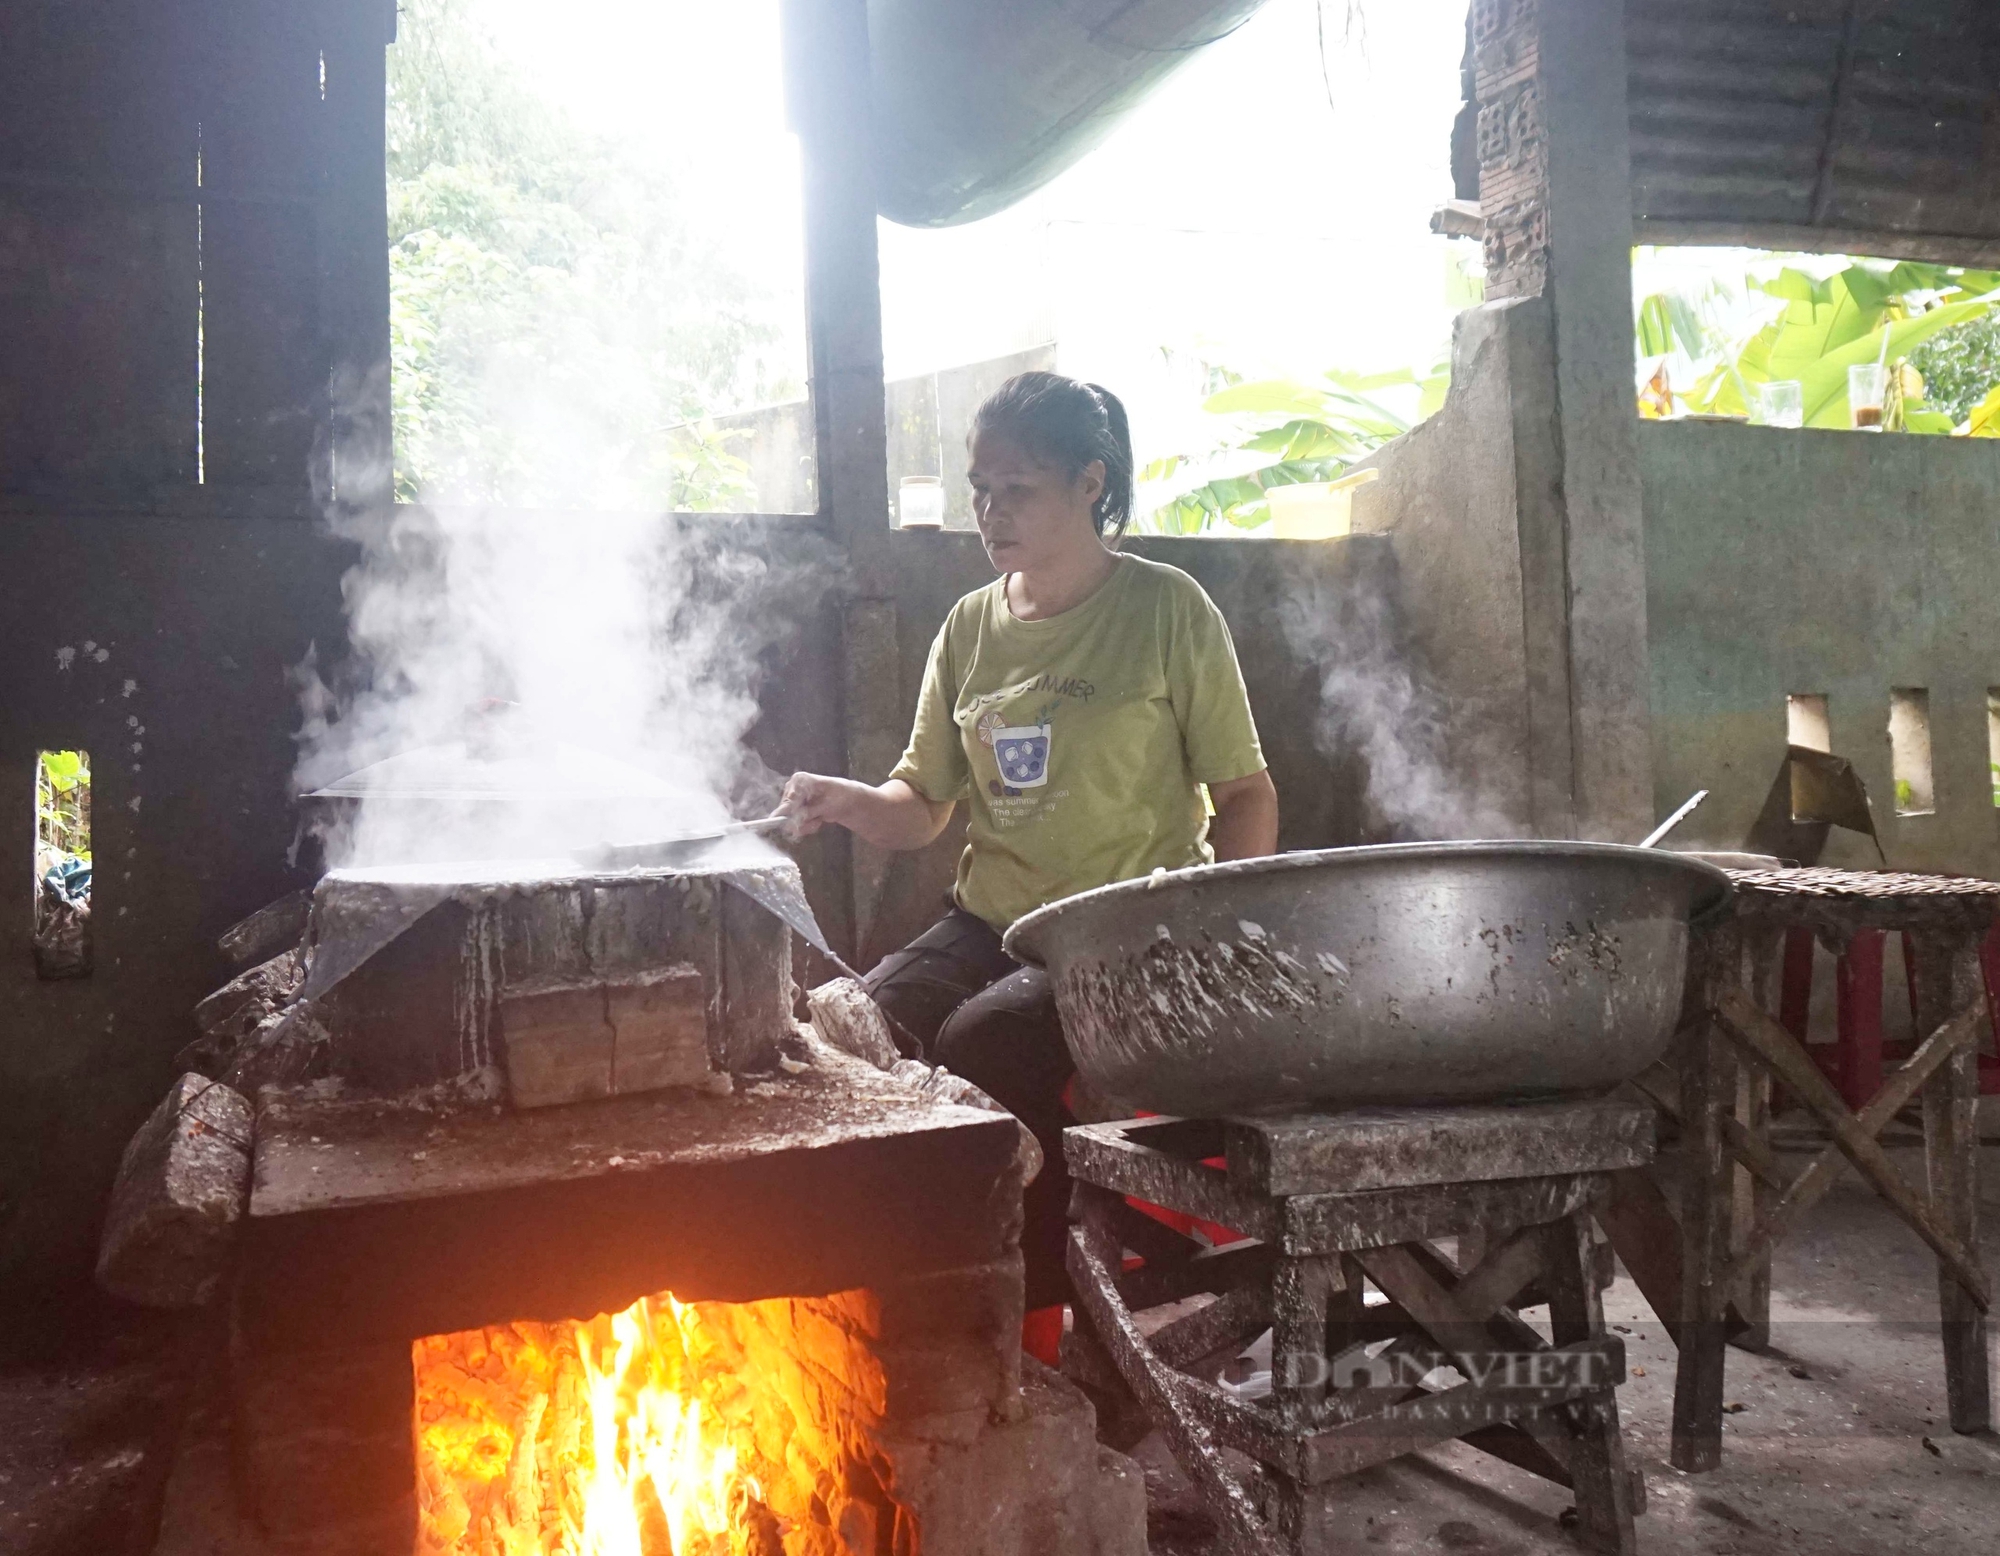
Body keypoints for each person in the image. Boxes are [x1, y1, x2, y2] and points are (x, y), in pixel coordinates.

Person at [779, 371, 1278, 1342]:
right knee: (846, 1028)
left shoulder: (1165, 610)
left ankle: (1038, 1312)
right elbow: (920, 807)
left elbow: (1246, 792)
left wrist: (1222, 933)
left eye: (1017, 489)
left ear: (1089, 483)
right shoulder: (969, 627)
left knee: (980, 1045)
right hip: (990, 922)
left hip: (1125, 929)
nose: (989, 511)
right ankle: (904, 1285)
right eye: (978, 488)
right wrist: (842, 801)